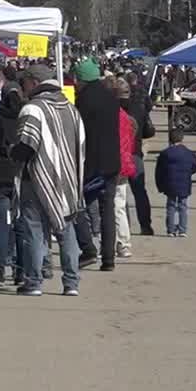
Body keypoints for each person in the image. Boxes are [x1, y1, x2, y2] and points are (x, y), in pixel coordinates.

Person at [10, 64, 85, 297]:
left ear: (33, 82)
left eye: (25, 82)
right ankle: (71, 282)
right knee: (66, 229)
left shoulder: (33, 109)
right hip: (67, 179)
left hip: (37, 179)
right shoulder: (71, 109)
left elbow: (26, 146)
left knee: (34, 230)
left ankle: (33, 281)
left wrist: (11, 151)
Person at [74, 57, 120, 270]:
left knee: (77, 205)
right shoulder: (111, 97)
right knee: (107, 209)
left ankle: (88, 247)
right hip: (111, 161)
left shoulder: (84, 99)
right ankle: (108, 258)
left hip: (91, 162)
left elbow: (80, 132)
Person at [0, 78, 24, 285]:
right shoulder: (25, 116)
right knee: (20, 225)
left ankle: (0, 270)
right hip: (18, 174)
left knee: (0, 225)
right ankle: (21, 271)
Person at [124, 72, 157, 235]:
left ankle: (125, 226)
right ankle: (145, 225)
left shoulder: (116, 108)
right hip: (135, 152)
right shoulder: (140, 107)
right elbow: (148, 131)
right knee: (139, 190)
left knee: (119, 192)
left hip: (121, 153)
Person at [110, 77, 137, 259]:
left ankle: (121, 243)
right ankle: (123, 243)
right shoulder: (130, 119)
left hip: (113, 165)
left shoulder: (113, 116)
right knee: (119, 205)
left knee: (115, 206)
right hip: (125, 164)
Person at [155, 128, 196, 238]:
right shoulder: (190, 153)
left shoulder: (165, 154)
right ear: (182, 139)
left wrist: (160, 186)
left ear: (170, 139)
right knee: (183, 206)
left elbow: (159, 171)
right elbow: (193, 168)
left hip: (170, 184)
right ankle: (183, 229)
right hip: (184, 183)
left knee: (171, 206)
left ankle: (171, 230)